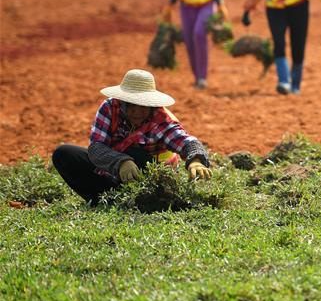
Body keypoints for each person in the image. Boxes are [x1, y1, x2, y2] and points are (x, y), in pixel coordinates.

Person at [52, 69, 212, 205]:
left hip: (152, 180)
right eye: (132, 105)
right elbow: (96, 148)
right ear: (122, 102)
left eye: (143, 106)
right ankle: (107, 200)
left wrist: (195, 159)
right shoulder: (109, 108)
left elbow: (185, 141)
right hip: (113, 172)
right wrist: (121, 162)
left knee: (135, 154)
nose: (137, 111)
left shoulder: (161, 119)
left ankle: (144, 201)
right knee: (64, 153)